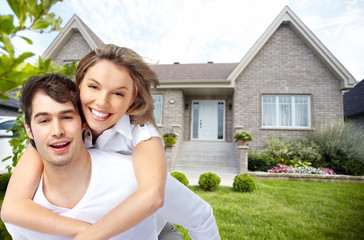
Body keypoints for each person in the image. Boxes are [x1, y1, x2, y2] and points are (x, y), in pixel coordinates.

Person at [1, 44, 220, 240]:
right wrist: (83, 229)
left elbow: (153, 197)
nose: (102, 102)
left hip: (156, 228)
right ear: (79, 87)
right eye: (94, 87)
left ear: (131, 99)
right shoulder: (58, 131)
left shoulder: (142, 134)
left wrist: (88, 236)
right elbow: (12, 208)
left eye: (117, 93)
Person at [5, 73, 158, 239]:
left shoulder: (133, 172)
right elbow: (10, 209)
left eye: (67, 117)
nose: (57, 131)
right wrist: (87, 231)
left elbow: (186, 212)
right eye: (44, 120)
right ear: (29, 130)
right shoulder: (22, 221)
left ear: (84, 122)